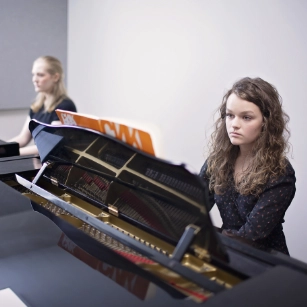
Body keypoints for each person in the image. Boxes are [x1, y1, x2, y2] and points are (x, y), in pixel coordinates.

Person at [199, 77, 296, 255]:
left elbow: (250, 237)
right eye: (230, 115)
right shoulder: (218, 160)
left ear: (266, 122)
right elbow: (194, 204)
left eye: (246, 117)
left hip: (264, 263)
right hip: (226, 250)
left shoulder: (280, 173)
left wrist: (205, 240)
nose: (234, 124)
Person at [8, 56, 77, 156]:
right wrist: (4, 148)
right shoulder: (37, 106)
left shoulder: (65, 106)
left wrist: (10, 153)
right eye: (34, 74)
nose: (34, 79)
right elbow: (23, 138)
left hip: (57, 167)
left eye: (40, 75)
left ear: (55, 77)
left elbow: (51, 145)